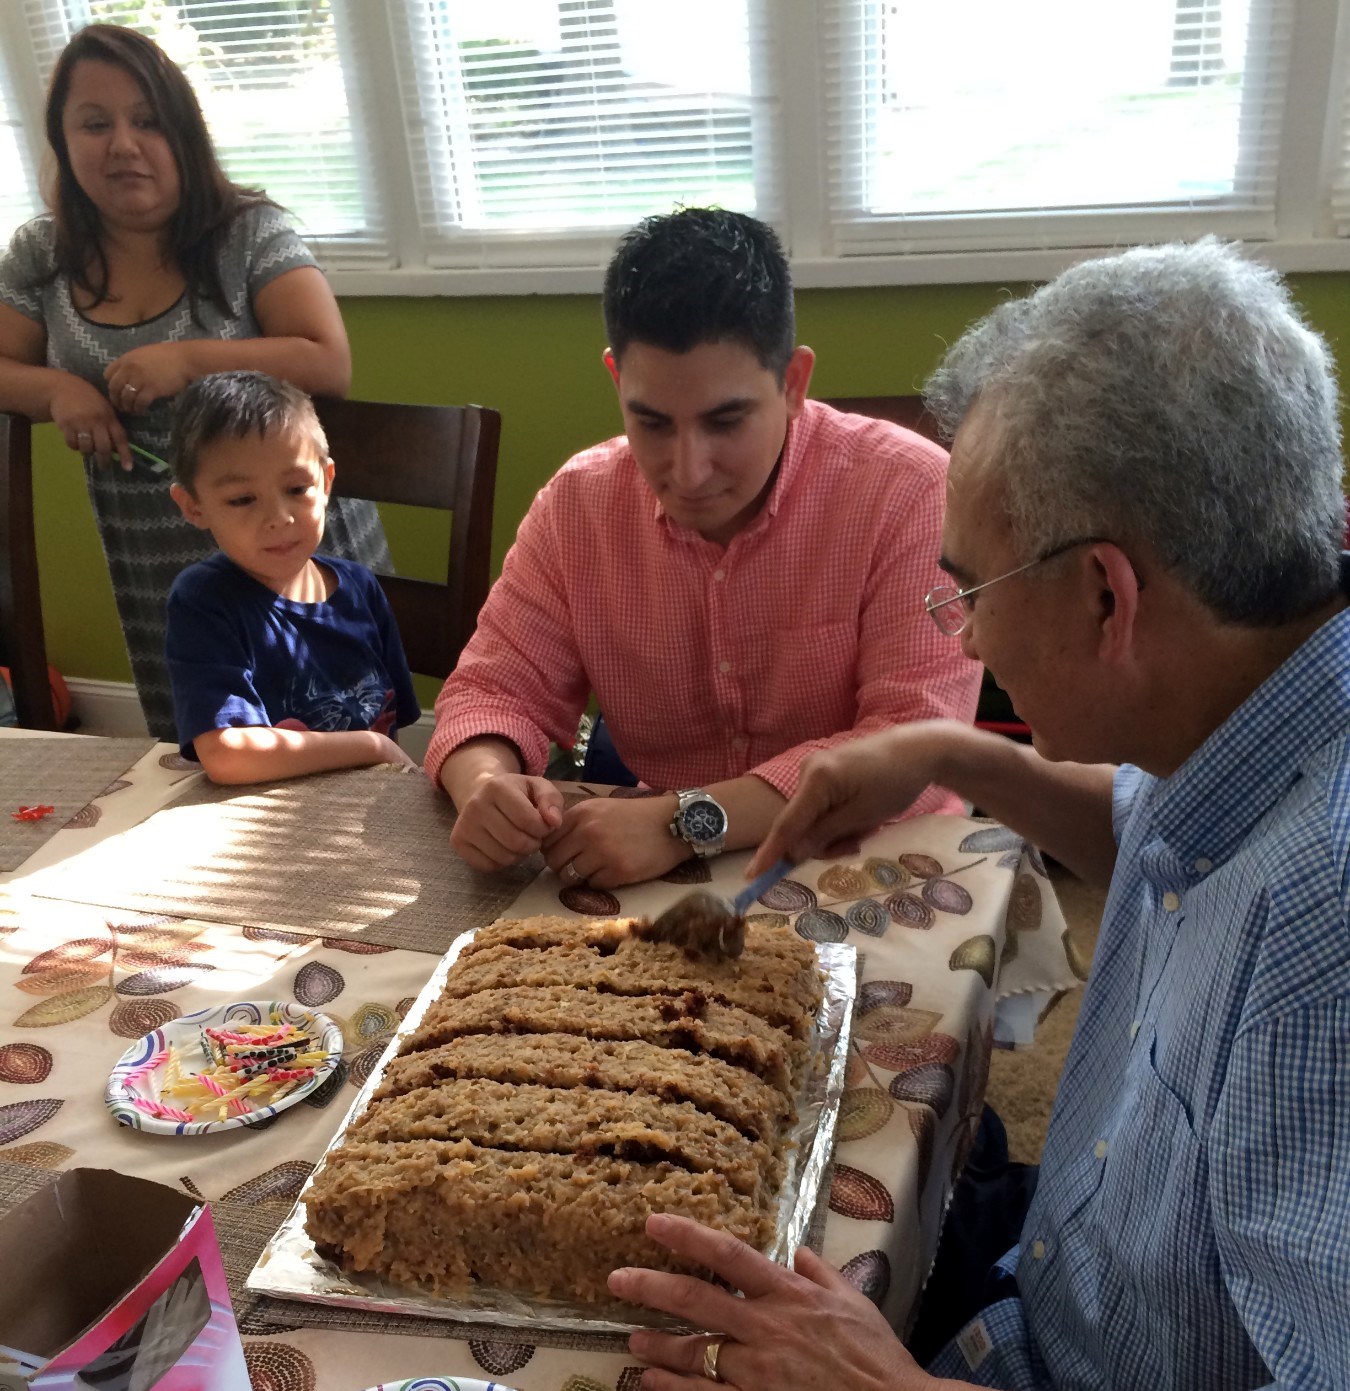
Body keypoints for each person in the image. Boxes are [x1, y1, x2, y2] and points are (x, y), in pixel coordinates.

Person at [607, 238, 1350, 1391]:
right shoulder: (1266, 693)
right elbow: (1161, 823)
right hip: (1097, 1316)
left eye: (968, 591)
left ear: (1103, 596)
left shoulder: (1325, 929)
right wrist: (974, 756)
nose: (963, 630)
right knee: (829, 1216)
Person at [427, 206, 979, 889]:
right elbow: (493, 688)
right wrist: (485, 781)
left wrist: (684, 822)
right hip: (656, 870)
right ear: (615, 383)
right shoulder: (578, 506)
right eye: (651, 422)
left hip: (882, 855)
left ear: (794, 383)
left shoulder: (911, 492)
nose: (687, 472)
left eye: (726, 421)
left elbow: (917, 746)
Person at [0, 22, 388, 741]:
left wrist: (188, 362)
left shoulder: (250, 232)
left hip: (290, 541)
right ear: (61, 139)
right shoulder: (40, 253)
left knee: (328, 736)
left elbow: (326, 359)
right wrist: (57, 391)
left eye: (147, 121)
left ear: (184, 133)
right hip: (155, 559)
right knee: (208, 746)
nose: (122, 144)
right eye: (95, 123)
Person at [165, 371, 418, 785]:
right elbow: (226, 754)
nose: (279, 518)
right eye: (243, 499)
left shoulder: (361, 588)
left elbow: (393, 718)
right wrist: (369, 747)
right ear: (193, 506)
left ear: (326, 481)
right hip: (267, 819)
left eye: (297, 488)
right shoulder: (203, 601)